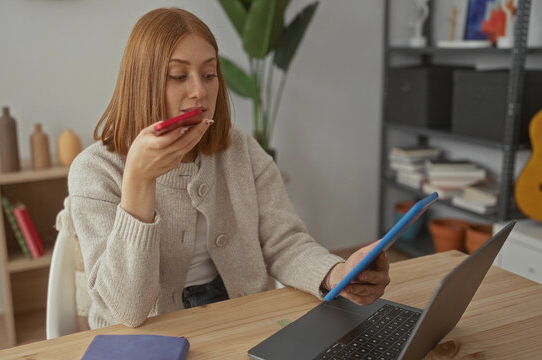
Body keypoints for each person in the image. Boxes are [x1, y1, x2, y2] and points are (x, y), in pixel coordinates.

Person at [67, 7, 390, 329]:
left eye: (209, 74)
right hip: (148, 330)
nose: (200, 90)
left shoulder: (240, 149)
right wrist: (138, 180)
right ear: (142, 83)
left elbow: (284, 243)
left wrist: (336, 274)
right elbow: (128, 310)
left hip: (243, 313)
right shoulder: (95, 170)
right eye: (179, 76)